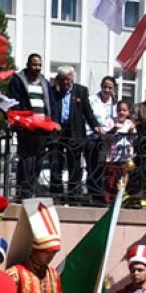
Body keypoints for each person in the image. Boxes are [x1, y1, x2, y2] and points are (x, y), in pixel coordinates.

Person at [6, 54, 56, 199]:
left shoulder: (45, 83)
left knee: (39, 160)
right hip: (26, 128)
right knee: (26, 160)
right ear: (28, 64)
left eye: (39, 65)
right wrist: (24, 120)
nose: (37, 68)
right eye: (34, 65)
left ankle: (32, 189)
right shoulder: (18, 81)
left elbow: (51, 103)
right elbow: (15, 102)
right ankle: (23, 191)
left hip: (42, 128)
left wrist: (53, 122)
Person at [49, 66, 102, 200]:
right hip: (57, 130)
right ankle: (56, 193)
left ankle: (74, 193)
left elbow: (87, 111)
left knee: (75, 163)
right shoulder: (53, 91)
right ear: (59, 80)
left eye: (69, 79)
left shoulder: (81, 91)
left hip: (75, 131)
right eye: (63, 79)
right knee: (56, 162)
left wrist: (95, 125)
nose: (67, 82)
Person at [86, 76, 117, 194]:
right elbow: (88, 117)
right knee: (93, 166)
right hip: (94, 136)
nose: (107, 90)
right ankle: (93, 193)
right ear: (101, 86)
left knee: (105, 167)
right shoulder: (92, 99)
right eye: (105, 87)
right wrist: (96, 128)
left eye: (110, 88)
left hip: (108, 139)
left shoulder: (114, 103)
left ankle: (103, 193)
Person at [103, 100, 136, 202]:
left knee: (121, 179)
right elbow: (106, 137)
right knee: (110, 178)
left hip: (125, 156)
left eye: (124, 110)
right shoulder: (111, 122)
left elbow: (134, 138)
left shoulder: (130, 123)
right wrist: (113, 129)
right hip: (113, 155)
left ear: (128, 112)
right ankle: (108, 199)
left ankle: (118, 199)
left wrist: (132, 130)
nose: (121, 112)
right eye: (119, 110)